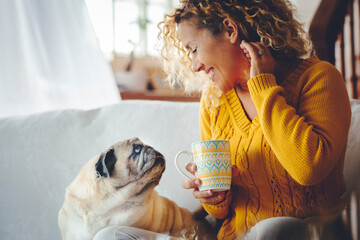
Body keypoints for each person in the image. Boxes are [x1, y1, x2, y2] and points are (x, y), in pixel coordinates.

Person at [94, 0, 351, 239]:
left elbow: (308, 169)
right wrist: (214, 197)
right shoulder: (214, 101)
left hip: (303, 233)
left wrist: (262, 87)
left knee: (275, 227)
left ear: (230, 29)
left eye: (194, 49)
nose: (194, 65)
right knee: (112, 236)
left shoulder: (319, 79)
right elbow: (219, 214)